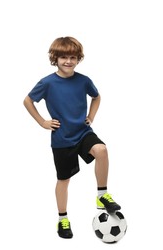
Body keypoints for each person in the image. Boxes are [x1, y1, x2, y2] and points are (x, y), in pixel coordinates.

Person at [23, 36, 121, 239]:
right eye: (63, 57)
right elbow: (28, 101)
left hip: (82, 132)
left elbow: (97, 97)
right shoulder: (47, 83)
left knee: (101, 150)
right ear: (55, 58)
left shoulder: (84, 80)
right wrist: (43, 122)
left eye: (73, 57)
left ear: (78, 59)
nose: (68, 61)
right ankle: (62, 220)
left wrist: (91, 116)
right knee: (63, 180)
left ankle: (102, 195)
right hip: (62, 138)